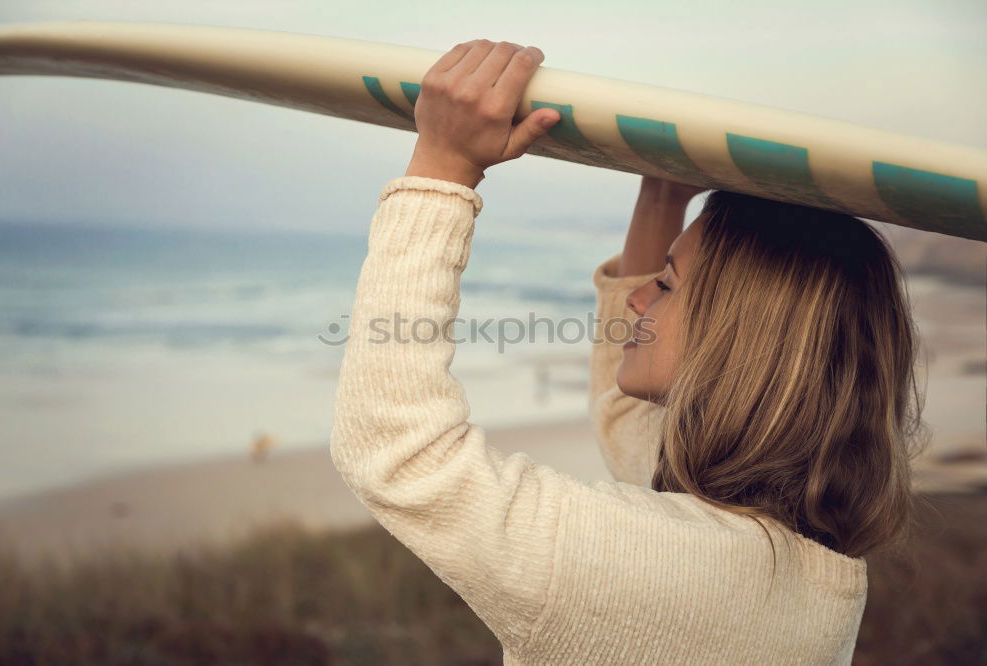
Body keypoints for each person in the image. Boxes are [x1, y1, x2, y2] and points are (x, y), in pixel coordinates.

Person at [329, 39, 929, 665]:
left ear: (736, 337)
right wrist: (663, 197)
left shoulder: (640, 569)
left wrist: (442, 168)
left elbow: (400, 451)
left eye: (666, 286)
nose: (638, 299)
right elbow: (625, 414)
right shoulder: (805, 571)